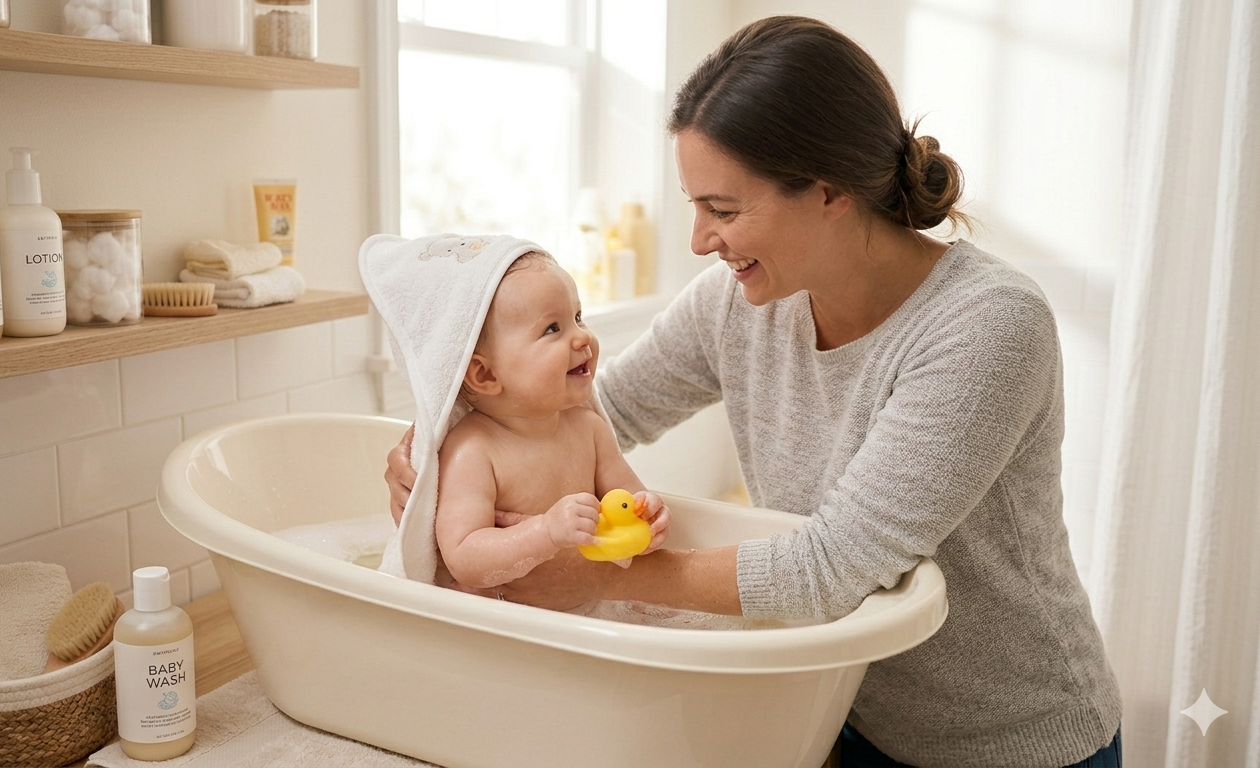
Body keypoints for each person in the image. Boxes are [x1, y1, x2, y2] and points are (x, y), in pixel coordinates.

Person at [385, 15, 1123, 768]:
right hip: (831, 707)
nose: (701, 239)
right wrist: (445, 459)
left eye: (725, 210)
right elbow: (586, 415)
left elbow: (832, 567)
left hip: (1006, 741)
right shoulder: (733, 305)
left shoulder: (987, 326)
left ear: (830, 190)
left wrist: (595, 576)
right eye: (694, 204)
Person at [432, 249, 670, 589]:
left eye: (578, 317)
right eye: (552, 328)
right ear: (485, 374)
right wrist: (544, 532)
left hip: (583, 611)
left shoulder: (589, 429)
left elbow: (629, 501)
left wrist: (649, 516)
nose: (582, 336)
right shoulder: (473, 451)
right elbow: (464, 559)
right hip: (505, 621)